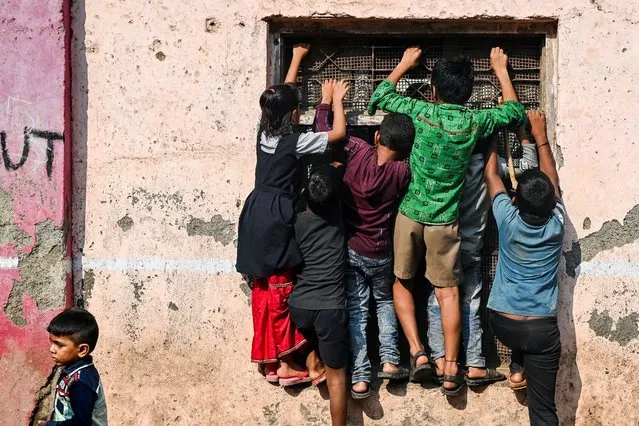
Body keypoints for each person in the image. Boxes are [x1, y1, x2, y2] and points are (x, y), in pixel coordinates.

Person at [368, 46, 526, 394]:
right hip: (445, 221)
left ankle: (418, 353)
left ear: (434, 90)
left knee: (402, 282)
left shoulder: (421, 111)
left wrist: (405, 64)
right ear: (468, 93)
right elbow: (515, 113)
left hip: (410, 214)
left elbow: (380, 95)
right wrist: (501, 70)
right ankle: (453, 369)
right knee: (449, 293)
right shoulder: (473, 121)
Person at [235, 43, 350, 386]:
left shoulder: (264, 132)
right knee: (281, 285)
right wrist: (335, 99)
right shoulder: (294, 142)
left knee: (263, 284)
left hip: (256, 209)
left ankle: (270, 360)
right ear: (293, 115)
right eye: (298, 110)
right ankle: (285, 360)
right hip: (278, 214)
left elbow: (280, 97)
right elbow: (340, 134)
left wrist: (297, 59)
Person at [313, 80, 414, 399]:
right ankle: (390, 360)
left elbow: (323, 132)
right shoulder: (401, 172)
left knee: (357, 310)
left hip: (353, 248)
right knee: (384, 302)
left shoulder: (356, 153)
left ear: (376, 136)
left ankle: (359, 377)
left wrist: (332, 100)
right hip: (382, 252)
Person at [427, 120, 539, 387]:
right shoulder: (493, 166)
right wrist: (523, 135)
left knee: (437, 302)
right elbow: (529, 167)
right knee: (471, 304)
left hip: (442, 244)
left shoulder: (444, 161)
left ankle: (441, 359)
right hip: (472, 246)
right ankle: (475, 363)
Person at [484, 110, 564, 425]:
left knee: (522, 342)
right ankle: (520, 367)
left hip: (502, 323)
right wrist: (540, 136)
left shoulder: (507, 218)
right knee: (543, 412)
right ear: (550, 202)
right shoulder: (557, 224)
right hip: (540, 330)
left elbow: (492, 175)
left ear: (516, 199)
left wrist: (492, 129)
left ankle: (517, 367)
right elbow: (552, 179)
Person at [289, 163, 349, 426]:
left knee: (313, 337)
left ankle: (313, 361)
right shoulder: (338, 219)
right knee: (337, 379)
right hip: (330, 310)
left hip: (299, 307)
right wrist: (337, 168)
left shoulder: (298, 220)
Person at [37, 307, 108, 425]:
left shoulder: (81, 381)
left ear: (82, 350)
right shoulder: (72, 371)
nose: (52, 349)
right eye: (52, 342)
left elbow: (80, 423)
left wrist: (50, 425)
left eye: (59, 345)